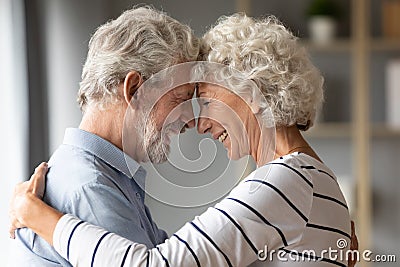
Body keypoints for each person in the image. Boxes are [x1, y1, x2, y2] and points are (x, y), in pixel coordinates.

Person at [10, 14, 358, 266]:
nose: (195, 123)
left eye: (203, 99)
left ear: (250, 92)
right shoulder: (309, 180)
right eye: (184, 99)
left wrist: (37, 215)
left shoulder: (286, 182)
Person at [10, 6, 200, 266]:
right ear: (134, 90)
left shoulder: (103, 176)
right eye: (181, 97)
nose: (190, 119)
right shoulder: (91, 187)